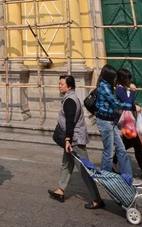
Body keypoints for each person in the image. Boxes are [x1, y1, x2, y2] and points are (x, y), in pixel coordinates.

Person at [48, 75, 105, 210]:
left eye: (62, 84)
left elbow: (70, 121)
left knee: (85, 169)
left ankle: (97, 199)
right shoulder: (70, 98)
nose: (59, 86)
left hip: (74, 140)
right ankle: (60, 190)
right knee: (66, 164)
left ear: (69, 86)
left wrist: (68, 139)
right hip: (72, 139)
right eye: (59, 83)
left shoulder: (70, 101)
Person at [95, 64, 140, 179]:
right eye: (113, 76)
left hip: (111, 121)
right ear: (108, 76)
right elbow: (117, 104)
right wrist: (133, 107)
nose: (115, 79)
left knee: (121, 149)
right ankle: (105, 177)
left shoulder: (107, 85)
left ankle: (127, 177)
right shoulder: (104, 86)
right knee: (108, 153)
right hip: (105, 122)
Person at [112, 68, 142, 182]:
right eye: (128, 78)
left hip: (129, 120)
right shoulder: (119, 89)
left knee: (126, 145)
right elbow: (127, 102)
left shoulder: (122, 88)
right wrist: (132, 91)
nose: (129, 80)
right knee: (136, 145)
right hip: (125, 121)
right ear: (123, 78)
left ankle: (113, 163)